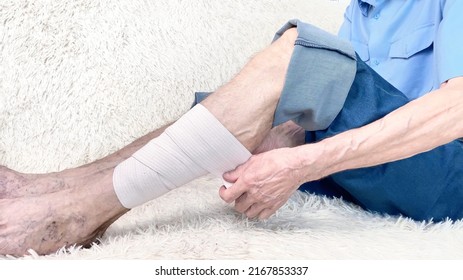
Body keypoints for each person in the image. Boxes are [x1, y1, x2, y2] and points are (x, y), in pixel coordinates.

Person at [1, 0, 463, 256]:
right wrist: (275, 131)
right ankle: (64, 187)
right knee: (258, 103)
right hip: (386, 167)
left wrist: (302, 163)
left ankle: (74, 214)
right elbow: (336, 102)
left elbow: (457, 107)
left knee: (303, 53)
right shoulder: (365, 8)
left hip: (448, 176)